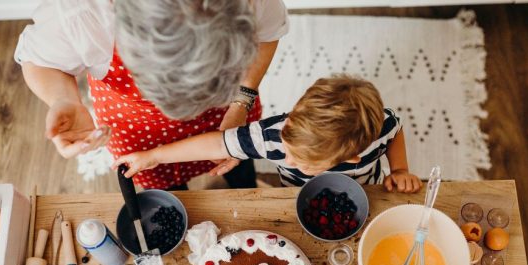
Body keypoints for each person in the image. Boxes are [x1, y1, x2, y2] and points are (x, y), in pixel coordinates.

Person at [15, 0, 290, 189]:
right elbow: (41, 61)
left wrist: (241, 101)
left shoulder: (254, 3)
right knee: (166, 187)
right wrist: (64, 97)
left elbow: (268, 35)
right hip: (136, 125)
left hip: (229, 110)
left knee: (238, 157)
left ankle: (245, 185)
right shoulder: (83, 12)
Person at [113, 75, 423, 193]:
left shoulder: (381, 129)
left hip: (365, 191)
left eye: (301, 161)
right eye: (288, 145)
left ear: (351, 157)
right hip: (295, 194)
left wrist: (400, 169)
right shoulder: (272, 135)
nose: (284, 157)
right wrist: (152, 156)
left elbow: (396, 133)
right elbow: (214, 143)